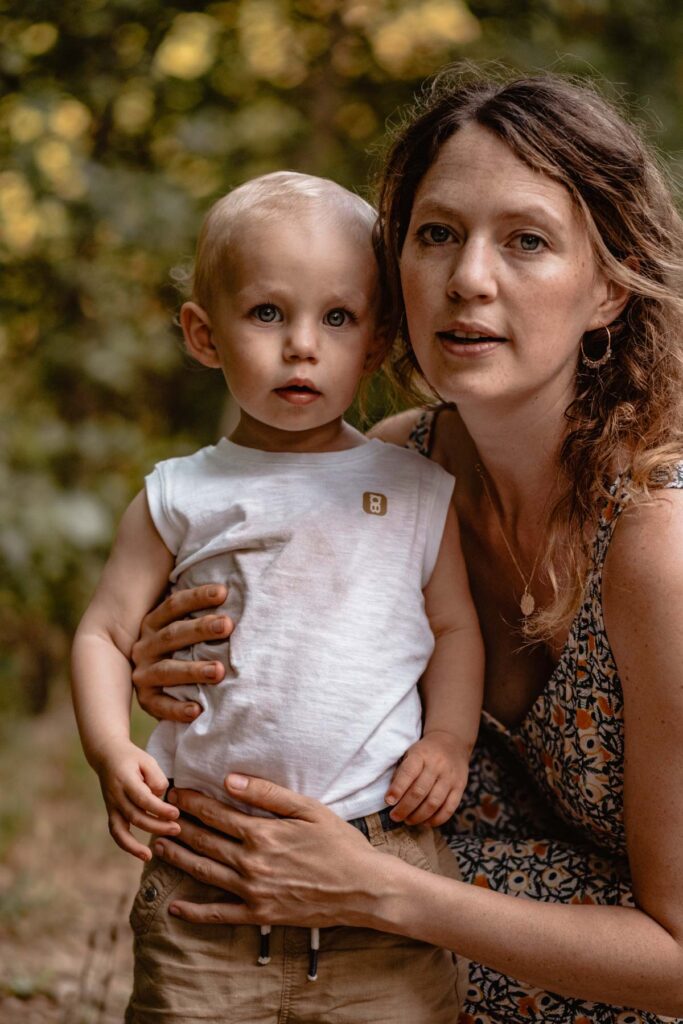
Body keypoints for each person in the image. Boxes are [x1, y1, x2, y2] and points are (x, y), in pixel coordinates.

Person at [130, 68, 683, 1023]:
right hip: (435, 927)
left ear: (606, 288)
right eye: (436, 235)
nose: (468, 277)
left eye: (526, 241)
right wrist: (170, 665)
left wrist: (377, 892)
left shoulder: (655, 546)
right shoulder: (387, 477)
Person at [71, 170, 485, 1023]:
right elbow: (105, 635)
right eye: (267, 313)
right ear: (203, 333)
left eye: (336, 318)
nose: (303, 345)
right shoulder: (179, 495)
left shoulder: (413, 487)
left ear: (373, 344)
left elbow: (453, 629)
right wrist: (111, 749)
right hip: (206, 869)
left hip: (383, 856)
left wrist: (446, 738)